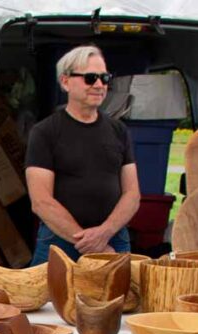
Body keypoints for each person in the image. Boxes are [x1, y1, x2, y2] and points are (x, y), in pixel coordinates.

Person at [25, 46, 140, 265]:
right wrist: (88, 242)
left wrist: (103, 234)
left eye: (104, 78)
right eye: (90, 78)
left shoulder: (119, 131)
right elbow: (41, 201)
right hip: (60, 242)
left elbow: (132, 194)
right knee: (50, 301)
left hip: (114, 240)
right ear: (65, 81)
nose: (99, 85)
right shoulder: (44, 132)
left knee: (118, 299)